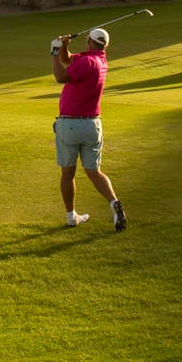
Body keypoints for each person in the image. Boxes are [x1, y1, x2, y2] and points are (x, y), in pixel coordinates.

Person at [51, 27, 127, 230]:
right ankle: (114, 203)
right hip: (92, 125)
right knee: (94, 171)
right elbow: (68, 61)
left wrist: (54, 54)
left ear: (88, 41)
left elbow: (60, 76)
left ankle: (70, 216)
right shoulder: (99, 61)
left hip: (70, 124)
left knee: (68, 173)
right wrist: (64, 48)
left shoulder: (87, 62)